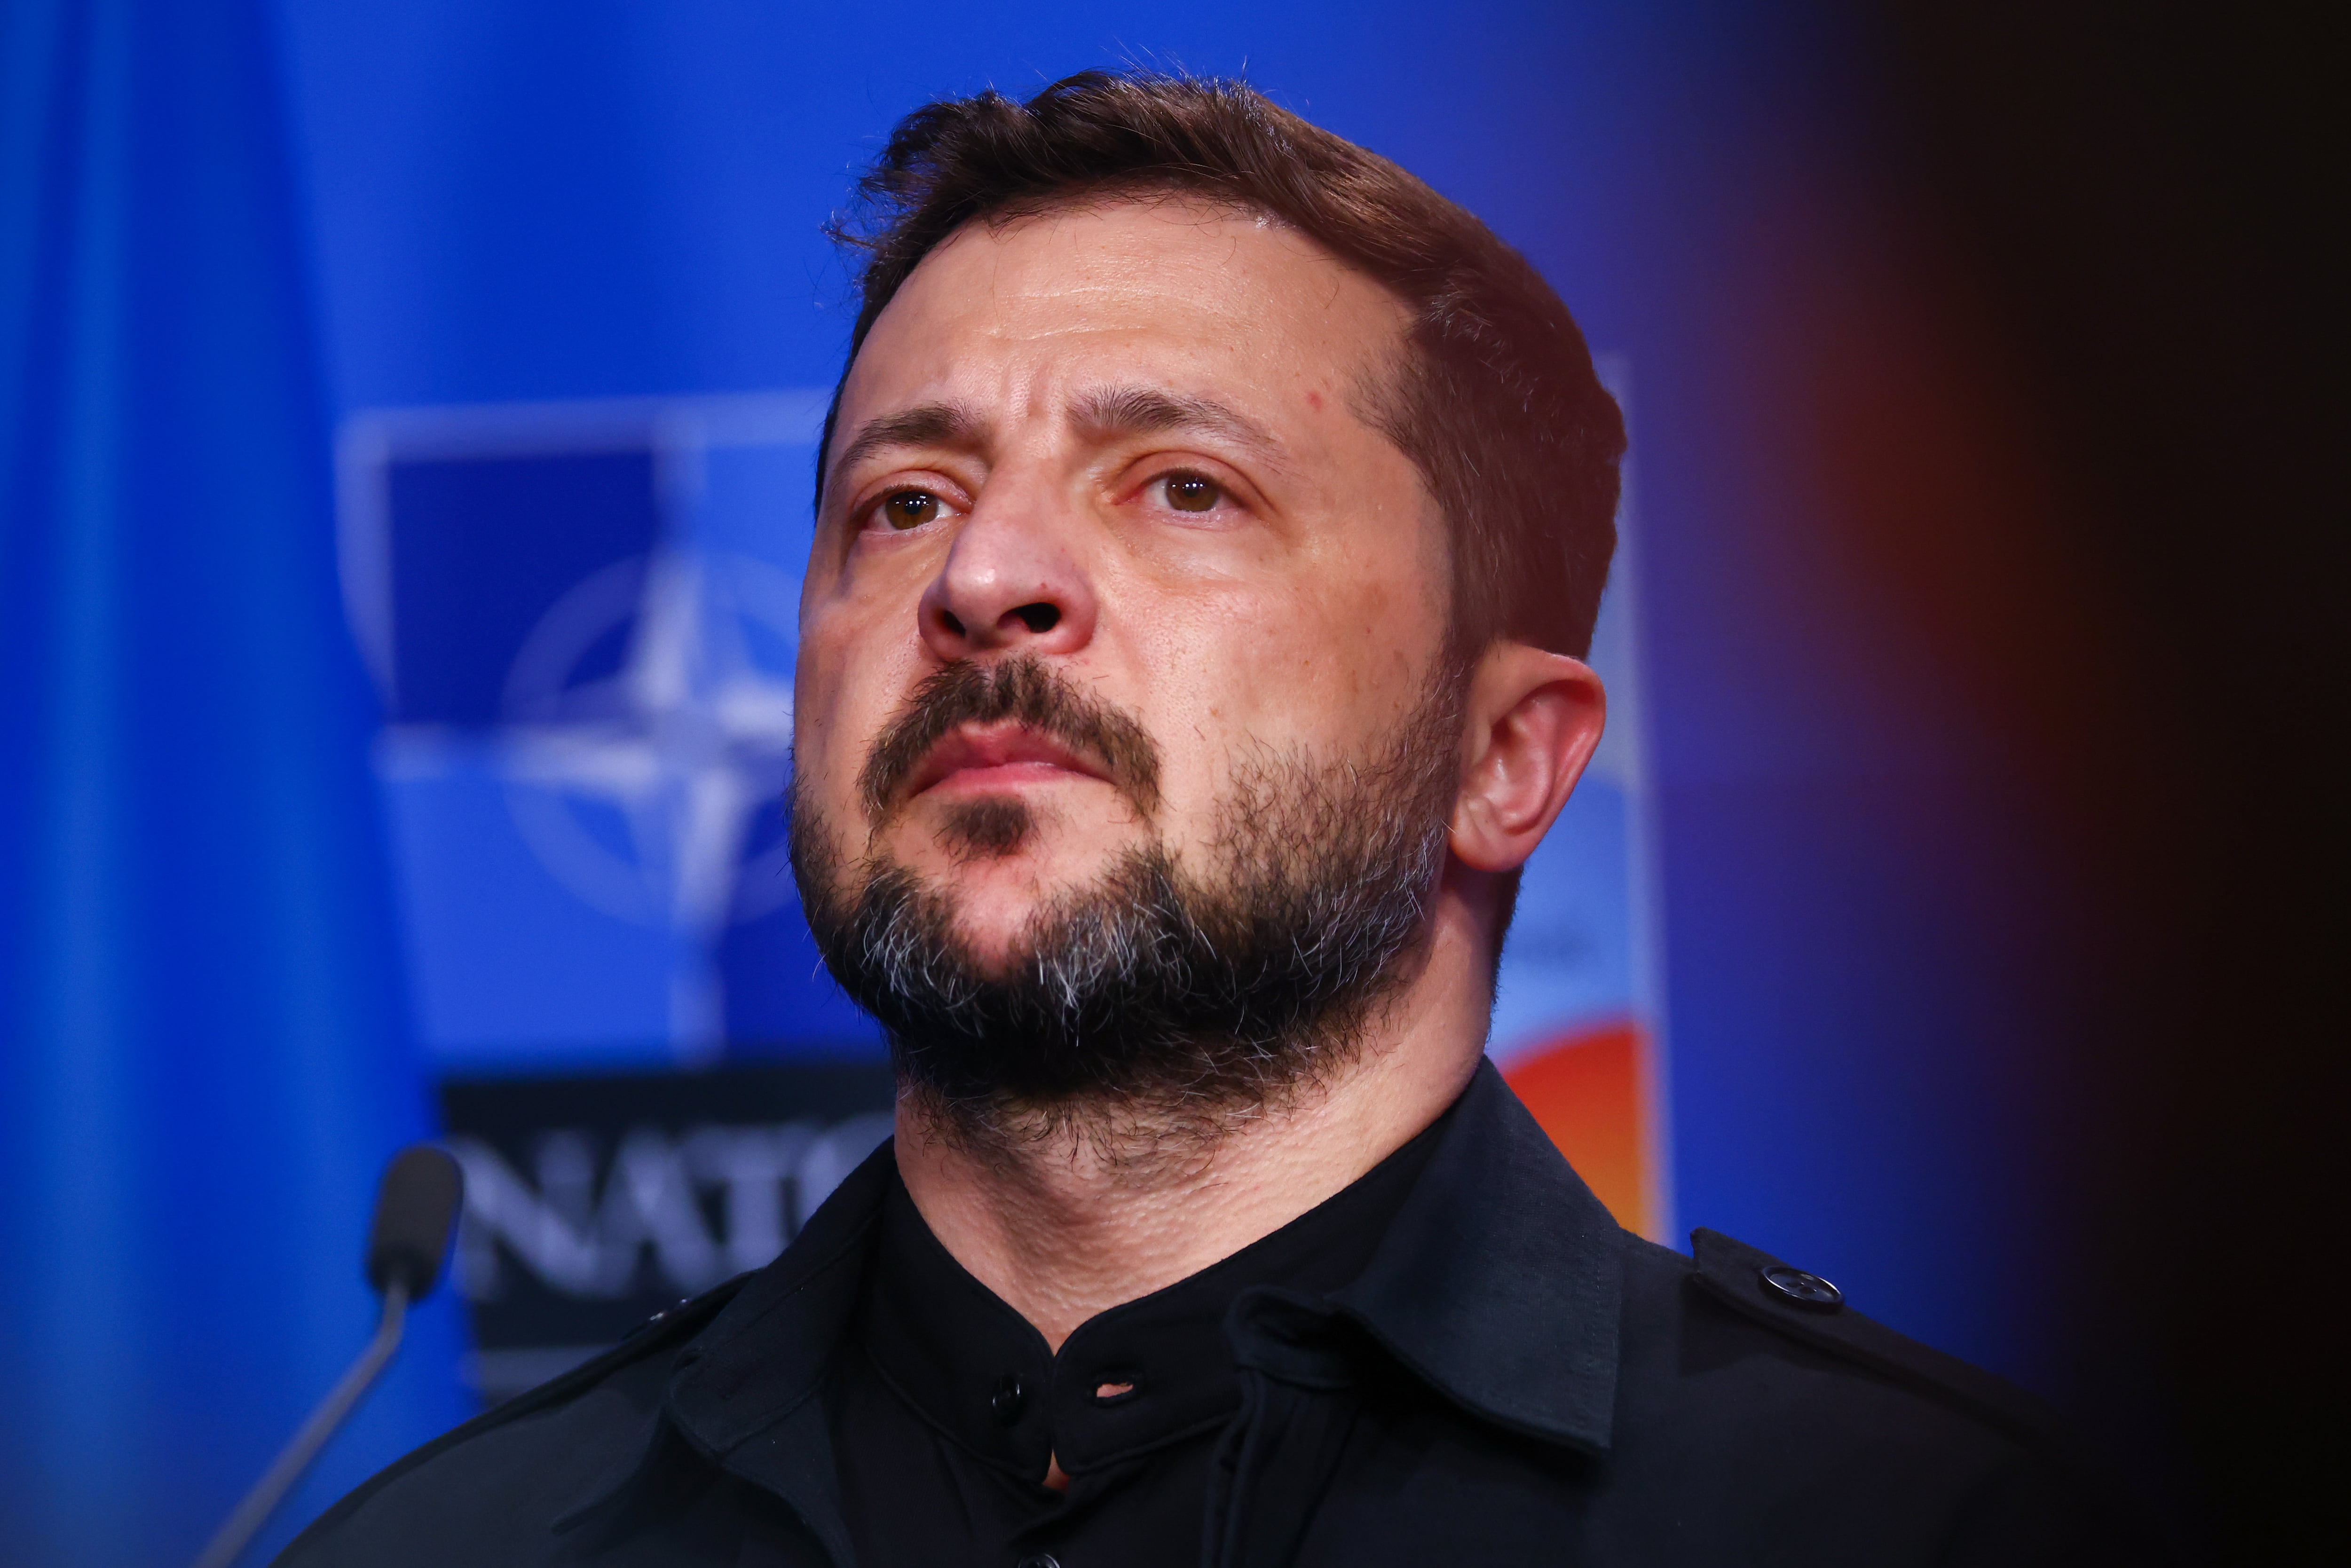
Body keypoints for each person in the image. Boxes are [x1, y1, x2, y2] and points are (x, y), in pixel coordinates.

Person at [281, 71, 2134, 1567]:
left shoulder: (1906, 1527)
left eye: (1179, 486)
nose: (984, 575)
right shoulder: (456, 1547)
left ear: (1504, 761)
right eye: (903, 504)